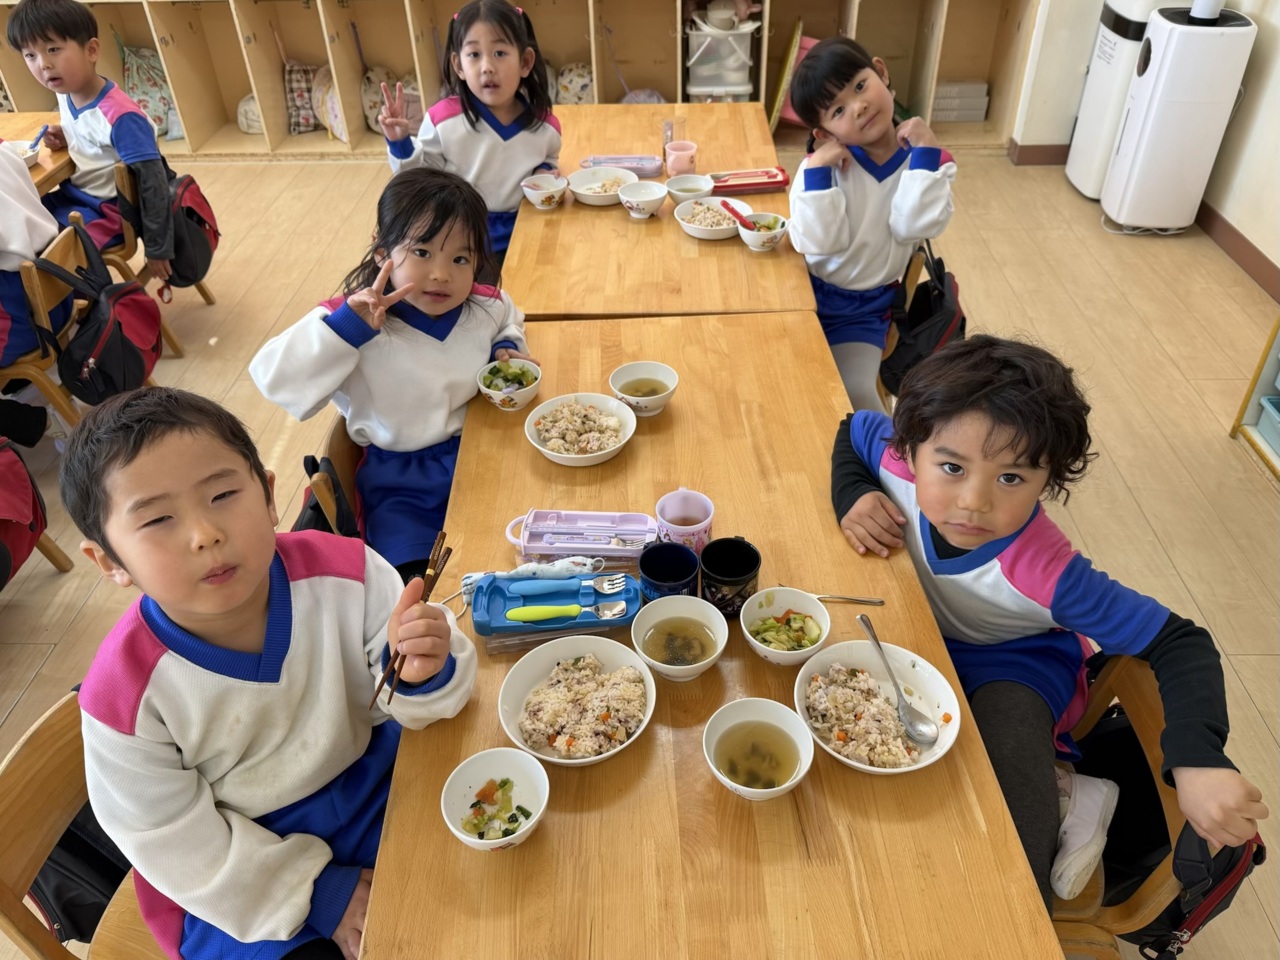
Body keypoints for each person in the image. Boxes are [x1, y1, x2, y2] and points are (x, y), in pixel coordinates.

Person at [831, 334, 1268, 908]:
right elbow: (852, 430)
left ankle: (1031, 876)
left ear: (1049, 480)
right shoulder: (895, 459)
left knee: (1012, 836)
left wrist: (1197, 759)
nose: (974, 501)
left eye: (1011, 478)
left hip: (1015, 665)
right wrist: (854, 494)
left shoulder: (1050, 572)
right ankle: (1066, 791)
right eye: (952, 467)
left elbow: (1179, 642)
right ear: (910, 450)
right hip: (921, 635)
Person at [63, 386, 477, 960]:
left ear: (267, 494)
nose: (204, 534)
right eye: (157, 519)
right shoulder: (123, 696)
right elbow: (174, 844)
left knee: (486, 881)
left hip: (371, 785)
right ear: (110, 561)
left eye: (223, 494)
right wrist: (321, 894)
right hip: (236, 870)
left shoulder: (346, 572)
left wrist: (421, 668)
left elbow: (418, 687)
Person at [250, 169, 535, 581]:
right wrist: (346, 330)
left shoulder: (483, 305)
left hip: (481, 456)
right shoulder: (351, 317)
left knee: (518, 551)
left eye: (460, 259)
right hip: (400, 485)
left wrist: (504, 345)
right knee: (416, 583)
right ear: (382, 250)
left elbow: (508, 316)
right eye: (422, 252)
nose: (442, 274)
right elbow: (274, 379)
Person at [788, 37, 955, 413]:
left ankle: (889, 449)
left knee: (855, 391)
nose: (859, 106)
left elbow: (914, 225)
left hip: (862, 311)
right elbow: (817, 242)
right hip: (801, 293)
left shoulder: (928, 161)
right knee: (775, 375)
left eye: (860, 86)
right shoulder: (820, 168)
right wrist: (818, 170)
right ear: (824, 133)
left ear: (881, 71)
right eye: (838, 110)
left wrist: (925, 156)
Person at [378, 0, 559, 270]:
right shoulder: (442, 120)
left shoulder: (545, 126)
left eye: (499, 53)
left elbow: (549, 158)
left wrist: (544, 171)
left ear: (525, 62)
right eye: (474, 54)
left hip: (524, 230)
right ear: (458, 65)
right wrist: (400, 142)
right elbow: (417, 180)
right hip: (456, 239)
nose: (487, 66)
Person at [6, 0, 173, 276]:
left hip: (108, 212)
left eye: (53, 49)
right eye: (30, 55)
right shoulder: (65, 92)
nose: (44, 64)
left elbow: (154, 183)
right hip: (74, 197)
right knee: (16, 225)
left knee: (39, 252)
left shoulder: (121, 117)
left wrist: (158, 248)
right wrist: (67, 136)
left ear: (91, 50)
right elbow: (94, 135)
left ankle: (85, 300)